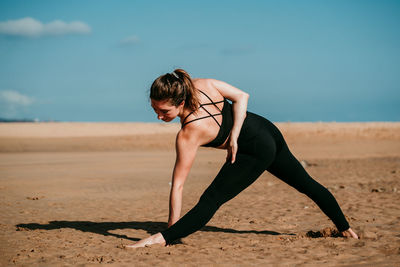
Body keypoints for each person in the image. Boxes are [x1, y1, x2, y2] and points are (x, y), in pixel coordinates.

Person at [127, 69, 358, 248]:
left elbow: (178, 186)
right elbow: (241, 96)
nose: (159, 116)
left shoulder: (189, 133)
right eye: (154, 109)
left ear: (180, 102)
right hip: (266, 129)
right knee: (306, 184)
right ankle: (345, 228)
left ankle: (161, 239)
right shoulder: (200, 85)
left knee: (212, 198)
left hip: (254, 148)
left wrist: (169, 232)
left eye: (164, 111)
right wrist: (236, 134)